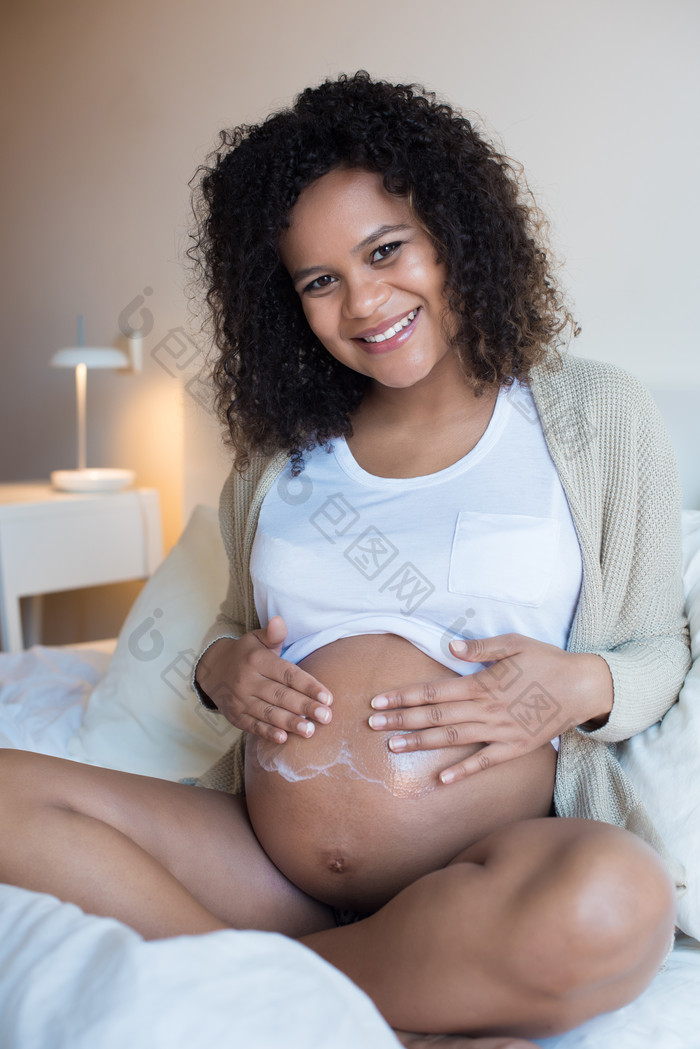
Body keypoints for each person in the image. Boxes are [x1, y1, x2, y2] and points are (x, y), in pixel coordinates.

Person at [0, 72, 690, 1048]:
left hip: (481, 866)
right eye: (319, 281)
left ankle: (265, 990)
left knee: (618, 899)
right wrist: (218, 666)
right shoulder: (284, 449)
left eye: (384, 250)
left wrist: (577, 681)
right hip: (263, 867)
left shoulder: (590, 414)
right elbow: (236, 632)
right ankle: (379, 1008)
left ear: (454, 232)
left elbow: (658, 648)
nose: (363, 301)